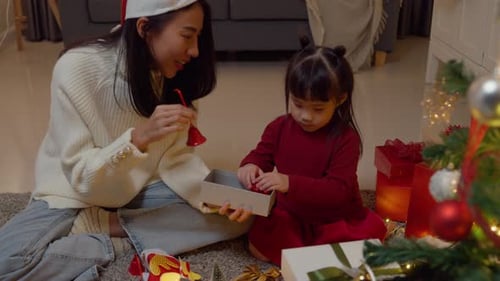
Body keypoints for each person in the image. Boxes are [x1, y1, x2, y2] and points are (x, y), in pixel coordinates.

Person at [0, 1, 251, 280]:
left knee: (242, 204)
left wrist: (210, 197)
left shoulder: (174, 77)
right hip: (74, 194)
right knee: (8, 262)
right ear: (145, 28)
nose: (195, 51)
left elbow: (177, 160)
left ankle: (113, 228)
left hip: (140, 189)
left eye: (198, 37)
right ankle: (115, 239)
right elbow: (82, 178)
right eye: (187, 35)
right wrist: (138, 139)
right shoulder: (77, 67)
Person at [237, 45, 387, 265]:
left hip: (333, 215)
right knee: (261, 243)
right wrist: (250, 166)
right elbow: (261, 155)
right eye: (298, 104)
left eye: (318, 109)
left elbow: (338, 191)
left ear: (340, 99)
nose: (305, 116)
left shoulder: (346, 138)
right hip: (292, 211)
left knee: (345, 253)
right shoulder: (278, 127)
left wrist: (289, 183)